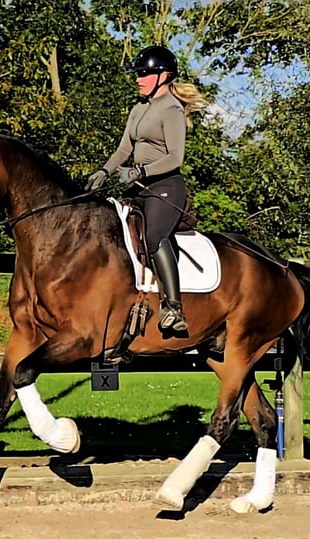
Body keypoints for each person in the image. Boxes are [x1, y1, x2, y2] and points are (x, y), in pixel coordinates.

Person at [86, 45, 209, 336]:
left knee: (154, 236)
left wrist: (140, 171)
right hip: (138, 186)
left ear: (163, 76)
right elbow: (123, 150)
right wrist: (103, 172)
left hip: (166, 187)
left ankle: (175, 309)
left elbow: (175, 157)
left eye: (144, 74)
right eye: (138, 74)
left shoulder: (172, 109)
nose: (139, 79)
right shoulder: (139, 108)